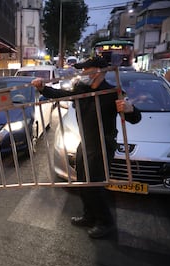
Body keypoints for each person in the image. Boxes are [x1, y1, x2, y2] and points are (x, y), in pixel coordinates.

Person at [31, 56, 142, 239]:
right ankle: (89, 215)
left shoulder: (112, 93)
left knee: (95, 186)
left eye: (86, 70)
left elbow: (135, 118)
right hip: (86, 143)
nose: (82, 73)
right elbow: (60, 95)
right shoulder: (81, 90)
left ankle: (105, 222)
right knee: (82, 182)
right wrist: (43, 88)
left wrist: (129, 109)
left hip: (102, 145)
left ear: (98, 71)